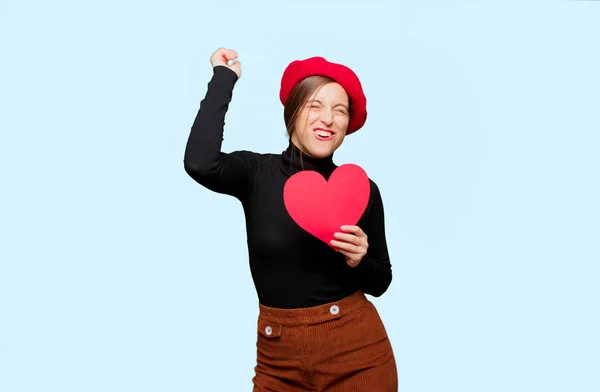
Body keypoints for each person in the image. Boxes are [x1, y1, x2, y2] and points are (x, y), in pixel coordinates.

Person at [184, 47, 397, 392]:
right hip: (277, 358)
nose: (327, 118)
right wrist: (224, 79)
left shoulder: (360, 190)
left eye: (339, 110)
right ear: (293, 111)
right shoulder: (256, 173)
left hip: (357, 353)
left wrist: (360, 259)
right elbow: (199, 163)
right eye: (315, 105)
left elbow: (381, 281)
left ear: (347, 124)